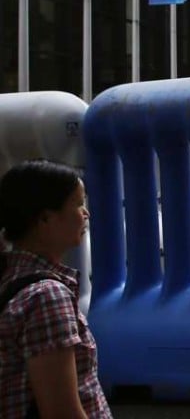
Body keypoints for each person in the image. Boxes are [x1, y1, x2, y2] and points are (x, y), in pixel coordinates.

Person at [0, 159, 113, 417]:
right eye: (78, 204)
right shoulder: (47, 296)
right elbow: (62, 412)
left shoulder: (10, 276)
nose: (86, 214)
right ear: (45, 218)